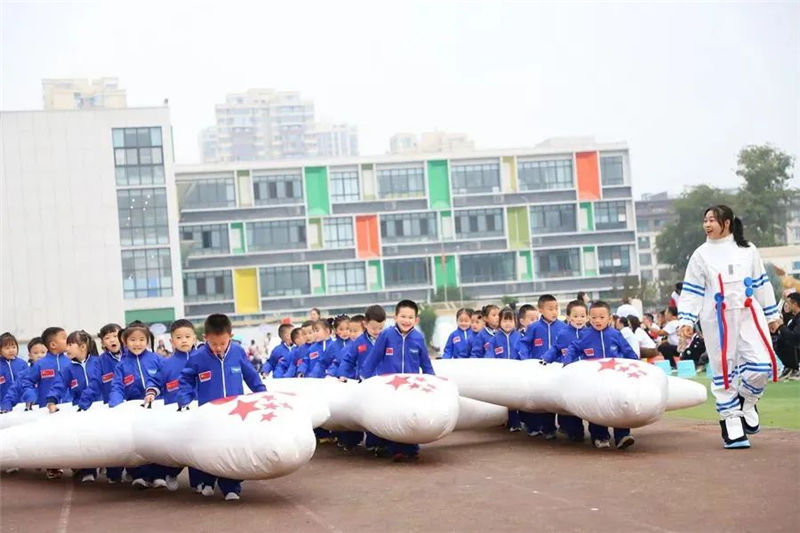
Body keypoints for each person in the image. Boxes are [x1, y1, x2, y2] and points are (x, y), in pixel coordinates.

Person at [677, 205, 781, 449]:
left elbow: (761, 284)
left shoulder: (748, 250)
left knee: (761, 365)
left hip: (748, 313)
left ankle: (747, 399)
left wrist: (771, 315)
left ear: (727, 223)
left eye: (712, 220)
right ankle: (731, 421)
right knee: (723, 368)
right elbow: (692, 290)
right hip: (717, 317)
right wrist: (686, 320)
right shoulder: (701, 254)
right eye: (705, 220)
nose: (707, 224)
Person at [165, 313, 266, 501]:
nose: (218, 348)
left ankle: (231, 487)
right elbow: (185, 379)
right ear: (205, 339)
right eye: (214, 344)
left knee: (232, 449)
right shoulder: (197, 357)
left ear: (231, 337)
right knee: (210, 449)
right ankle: (207, 481)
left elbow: (251, 375)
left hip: (235, 412)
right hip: (210, 413)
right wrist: (184, 398)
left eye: (223, 343)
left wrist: (263, 393)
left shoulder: (237, 352)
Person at [361, 300, 434, 462]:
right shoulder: (386, 335)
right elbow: (373, 358)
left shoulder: (418, 338)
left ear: (416, 320)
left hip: (411, 386)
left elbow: (426, 363)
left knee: (410, 416)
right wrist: (364, 378)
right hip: (390, 386)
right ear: (395, 317)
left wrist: (433, 382)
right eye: (402, 316)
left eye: (410, 317)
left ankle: (411, 448)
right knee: (394, 417)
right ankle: (395, 450)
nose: (406, 320)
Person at [563, 300, 639, 449]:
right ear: (589, 318)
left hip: (616, 379)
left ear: (610, 318)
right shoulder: (585, 335)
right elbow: (573, 348)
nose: (598, 321)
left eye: (602, 317)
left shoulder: (616, 335)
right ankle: (600, 436)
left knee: (619, 406)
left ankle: (622, 435)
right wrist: (566, 364)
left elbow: (628, 351)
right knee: (597, 407)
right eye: (594, 317)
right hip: (595, 381)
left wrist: (636, 364)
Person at [143, 319, 201, 492]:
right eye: (179, 337)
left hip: (199, 412)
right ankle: (170, 472)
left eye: (187, 337)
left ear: (194, 339)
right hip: (175, 415)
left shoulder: (203, 360)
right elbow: (155, 381)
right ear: (172, 341)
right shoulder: (166, 363)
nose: (184, 340)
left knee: (198, 448)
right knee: (179, 449)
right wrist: (151, 392)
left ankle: (199, 483)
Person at [109, 321, 165, 488]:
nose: (137, 343)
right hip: (133, 412)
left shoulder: (156, 359)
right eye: (133, 340)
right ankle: (138, 475)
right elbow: (117, 386)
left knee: (156, 443)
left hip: (155, 408)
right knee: (136, 444)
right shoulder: (122, 365)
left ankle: (158, 475)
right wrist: (116, 404)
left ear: (147, 341)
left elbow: (166, 380)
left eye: (141, 339)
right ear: (125, 342)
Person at [45, 330, 102, 482]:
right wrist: (52, 400)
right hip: (81, 410)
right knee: (85, 441)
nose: (67, 348)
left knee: (102, 440)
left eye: (70, 344)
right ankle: (88, 470)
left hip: (102, 409)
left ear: (83, 347)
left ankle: (113, 471)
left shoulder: (98, 363)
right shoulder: (68, 369)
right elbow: (58, 385)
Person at [519, 295, 567, 439]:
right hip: (540, 370)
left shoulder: (563, 327)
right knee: (544, 401)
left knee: (561, 399)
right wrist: (527, 360)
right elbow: (524, 344)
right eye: (550, 309)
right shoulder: (533, 328)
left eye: (556, 308)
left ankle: (568, 428)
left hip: (559, 369)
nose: (554, 312)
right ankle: (548, 429)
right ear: (540, 309)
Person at [542, 299, 589, 441]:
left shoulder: (590, 333)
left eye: (582, 316)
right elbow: (556, 348)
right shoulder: (563, 333)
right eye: (575, 316)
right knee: (571, 406)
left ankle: (600, 435)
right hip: (570, 375)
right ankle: (575, 431)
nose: (579, 319)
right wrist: (545, 359)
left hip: (588, 376)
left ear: (587, 317)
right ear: (568, 317)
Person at [95, 323, 126, 484]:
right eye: (107, 338)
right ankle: (114, 473)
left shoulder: (132, 355)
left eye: (115, 336)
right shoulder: (100, 362)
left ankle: (140, 474)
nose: (112, 340)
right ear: (103, 343)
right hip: (112, 407)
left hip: (133, 406)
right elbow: (95, 384)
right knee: (114, 441)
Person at [489, 308, 522, 431]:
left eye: (510, 320)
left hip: (517, 373)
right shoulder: (494, 339)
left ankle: (520, 421)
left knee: (519, 398)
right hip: (502, 374)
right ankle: (513, 423)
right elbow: (489, 355)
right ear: (499, 322)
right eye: (505, 320)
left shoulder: (520, 337)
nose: (508, 323)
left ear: (515, 322)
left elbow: (524, 353)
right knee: (509, 399)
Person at [0, 333, 29, 413]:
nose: (11, 350)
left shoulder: (22, 363)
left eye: (14, 347)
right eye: (7, 348)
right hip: (3, 406)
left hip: (22, 404)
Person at [775, 292, 800, 381]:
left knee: (788, 341)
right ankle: (790, 367)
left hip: (797, 346)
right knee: (779, 340)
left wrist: (781, 326)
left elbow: (795, 337)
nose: (787, 305)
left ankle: (795, 369)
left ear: (795, 304)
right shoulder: (795, 318)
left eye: (788, 303)